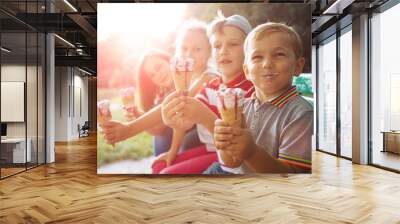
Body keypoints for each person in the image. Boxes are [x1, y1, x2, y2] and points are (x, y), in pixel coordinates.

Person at [155, 13, 255, 174]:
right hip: (211, 149)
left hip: (231, 158)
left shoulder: (252, 90)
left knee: (166, 174)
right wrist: (172, 145)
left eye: (233, 44)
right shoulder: (212, 85)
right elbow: (185, 123)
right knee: (159, 166)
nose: (223, 51)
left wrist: (202, 115)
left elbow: (239, 148)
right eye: (217, 46)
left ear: (249, 49)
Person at [102, 20, 217, 157]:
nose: (189, 54)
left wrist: (130, 128)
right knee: (161, 139)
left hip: (211, 137)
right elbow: (163, 126)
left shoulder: (206, 76)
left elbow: (175, 104)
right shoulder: (183, 79)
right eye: (184, 49)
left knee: (182, 142)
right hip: (191, 129)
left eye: (197, 49)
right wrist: (136, 114)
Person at [211, 22, 313, 174]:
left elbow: (292, 174)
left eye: (279, 55)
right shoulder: (242, 107)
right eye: (257, 57)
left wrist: (251, 153)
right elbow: (232, 163)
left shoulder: (300, 113)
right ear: (246, 71)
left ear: (298, 66)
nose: (267, 64)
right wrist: (224, 144)